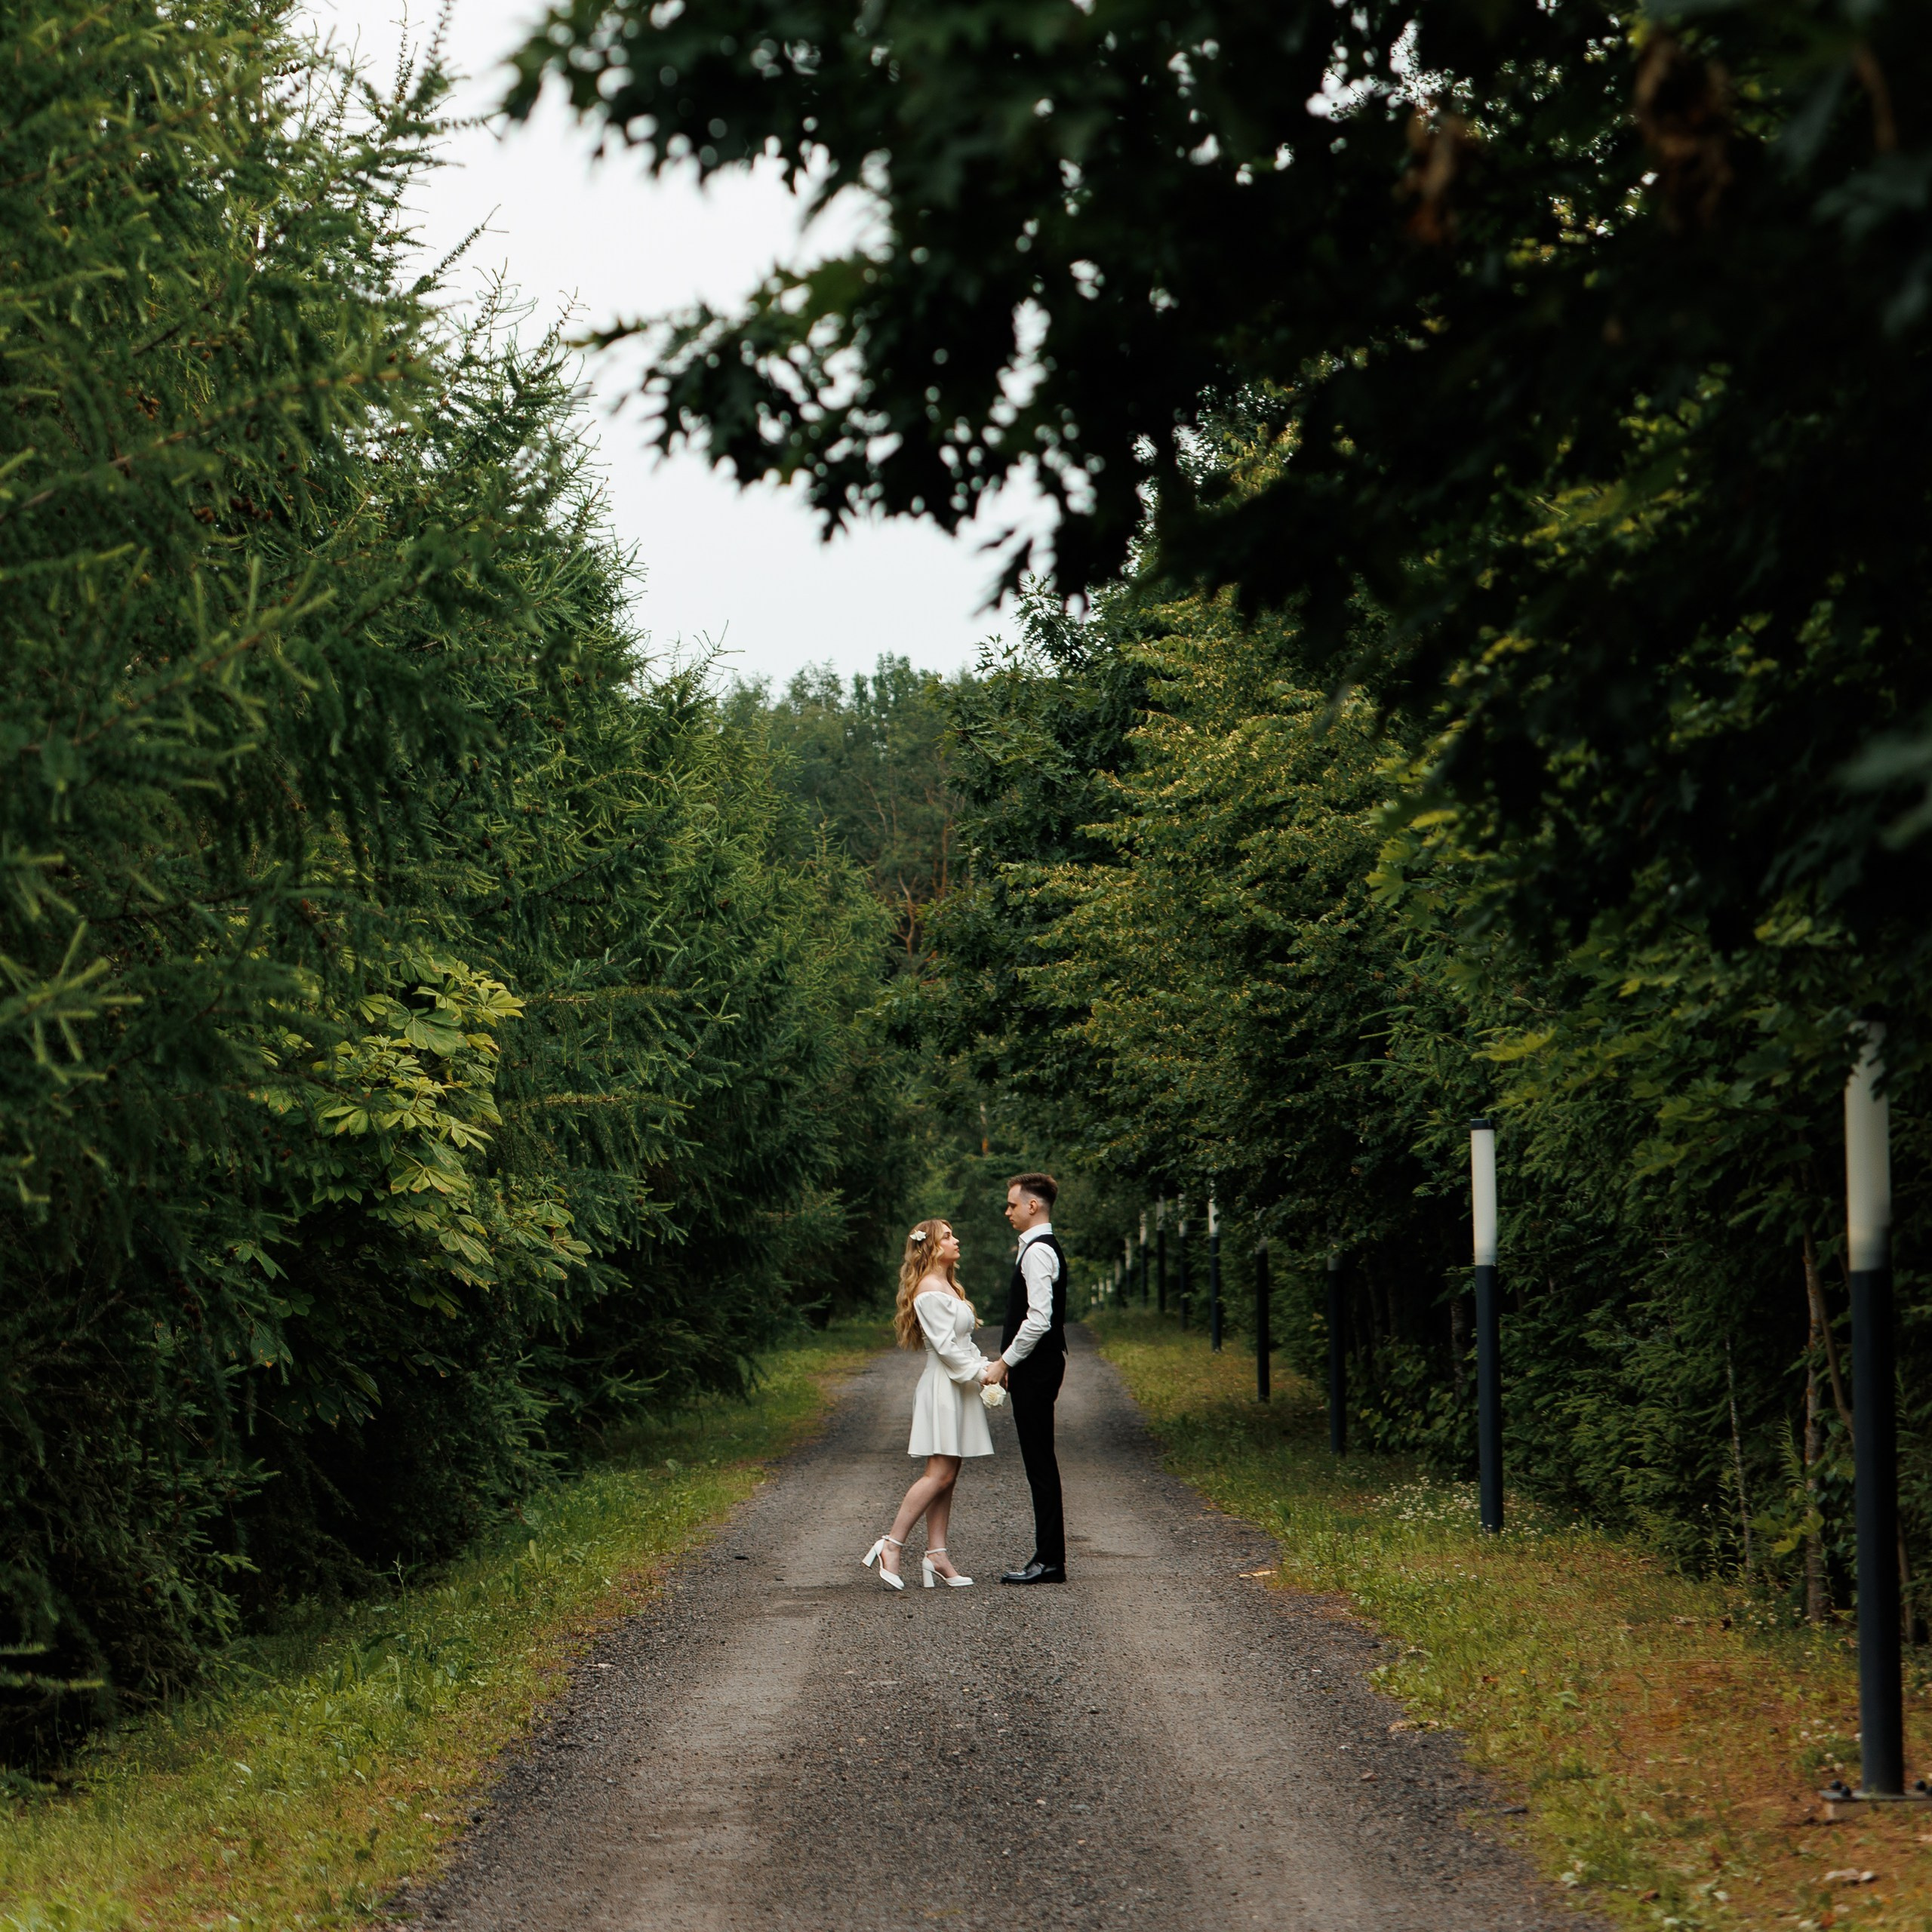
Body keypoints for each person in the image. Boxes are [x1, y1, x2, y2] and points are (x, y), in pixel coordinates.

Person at [862, 1219, 998, 1590]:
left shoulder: (949, 1286)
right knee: (937, 1473)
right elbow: (945, 1348)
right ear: (932, 1247)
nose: (957, 1241)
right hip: (943, 1386)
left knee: (949, 1475)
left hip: (959, 1384)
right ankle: (891, 1544)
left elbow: (963, 1343)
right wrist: (982, 1374)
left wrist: (986, 1365)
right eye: (949, 1236)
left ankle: (937, 1554)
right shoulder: (928, 1289)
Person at [980, 1172, 1069, 1585]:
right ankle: (1048, 1557)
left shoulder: (1037, 1252)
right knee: (1039, 1462)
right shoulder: (1035, 1249)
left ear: (1033, 1206)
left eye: (1012, 1204)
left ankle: (1050, 1561)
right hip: (1039, 1367)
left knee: (1040, 1464)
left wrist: (1005, 1363)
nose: (1008, 1211)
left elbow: (1039, 1320)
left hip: (1036, 1368)